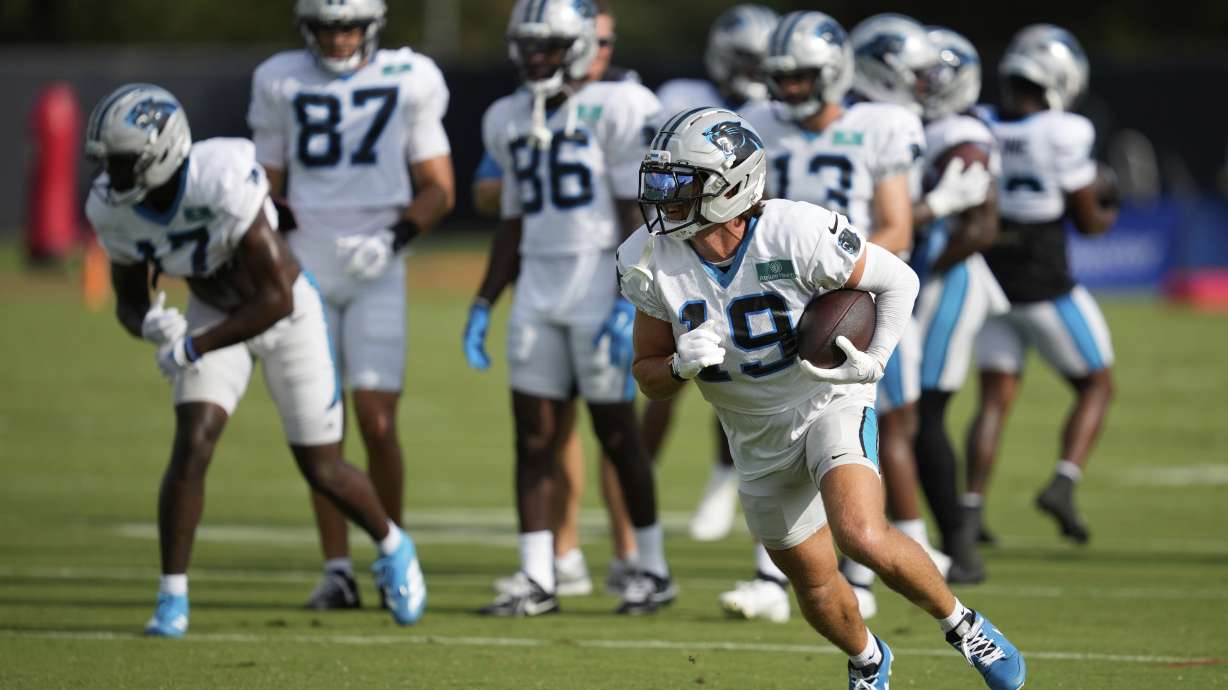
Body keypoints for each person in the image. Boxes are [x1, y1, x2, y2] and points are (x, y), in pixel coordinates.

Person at [619, 105, 1025, 690]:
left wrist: (876, 360)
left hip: (826, 399)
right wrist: (679, 366)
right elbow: (646, 372)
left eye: (682, 184)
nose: (664, 198)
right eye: (660, 182)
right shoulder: (647, 259)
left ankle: (963, 626)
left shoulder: (796, 230)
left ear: (732, 186)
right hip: (751, 433)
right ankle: (868, 660)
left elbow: (898, 280)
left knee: (860, 533)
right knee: (811, 581)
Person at [84, 84, 427, 637]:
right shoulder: (113, 210)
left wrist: (195, 345)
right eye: (109, 163)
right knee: (193, 441)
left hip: (288, 317)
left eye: (125, 163)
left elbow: (276, 298)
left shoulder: (220, 175)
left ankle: (392, 545)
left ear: (164, 152)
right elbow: (128, 298)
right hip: (212, 312)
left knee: (322, 468)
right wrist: (146, 322)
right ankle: (172, 596)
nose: (113, 177)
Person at [735, 11, 972, 622]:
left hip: (856, 298)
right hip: (779, 299)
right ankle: (771, 572)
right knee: (770, 427)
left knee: (883, 425)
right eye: (780, 78)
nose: (788, 89)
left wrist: (849, 289)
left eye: (802, 76)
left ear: (837, 72)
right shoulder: (755, 125)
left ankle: (864, 572)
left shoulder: (882, 124)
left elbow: (894, 225)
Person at [465, 0, 673, 617]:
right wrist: (483, 301)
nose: (536, 57)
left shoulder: (616, 106)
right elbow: (511, 221)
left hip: (593, 284)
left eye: (549, 45)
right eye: (529, 44)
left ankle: (651, 567)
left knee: (616, 434)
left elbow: (633, 215)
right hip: (537, 289)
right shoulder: (507, 114)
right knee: (533, 440)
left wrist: (623, 299)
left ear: (580, 45)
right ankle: (538, 576)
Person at [247, 0, 455, 610]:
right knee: (322, 423)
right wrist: (281, 247)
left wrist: (394, 238)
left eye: (349, 26)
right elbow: (264, 183)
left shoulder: (410, 77)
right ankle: (336, 568)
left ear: (372, 28)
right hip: (303, 260)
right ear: (306, 29)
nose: (339, 39)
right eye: (327, 27)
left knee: (377, 419)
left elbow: (440, 188)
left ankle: (392, 554)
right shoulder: (279, 78)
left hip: (378, 263)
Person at [966, 24, 1117, 545]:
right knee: (1097, 383)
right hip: (1044, 281)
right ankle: (1064, 481)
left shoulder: (980, 122)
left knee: (993, 399)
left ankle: (969, 509)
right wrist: (1108, 200)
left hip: (989, 282)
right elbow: (1089, 221)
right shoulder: (1065, 131)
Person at [652, 3, 779, 546]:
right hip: (683, 244)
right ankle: (640, 493)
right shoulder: (681, 99)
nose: (754, 72)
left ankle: (724, 480)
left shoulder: (777, 111)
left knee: (741, 369)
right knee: (666, 367)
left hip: (750, 246)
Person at [909, 26, 1008, 584]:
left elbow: (980, 227)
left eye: (930, 76)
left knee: (927, 414)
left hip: (948, 284)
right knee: (914, 416)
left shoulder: (961, 132)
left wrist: (918, 272)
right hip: (930, 280)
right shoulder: (924, 125)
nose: (921, 84)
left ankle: (960, 548)